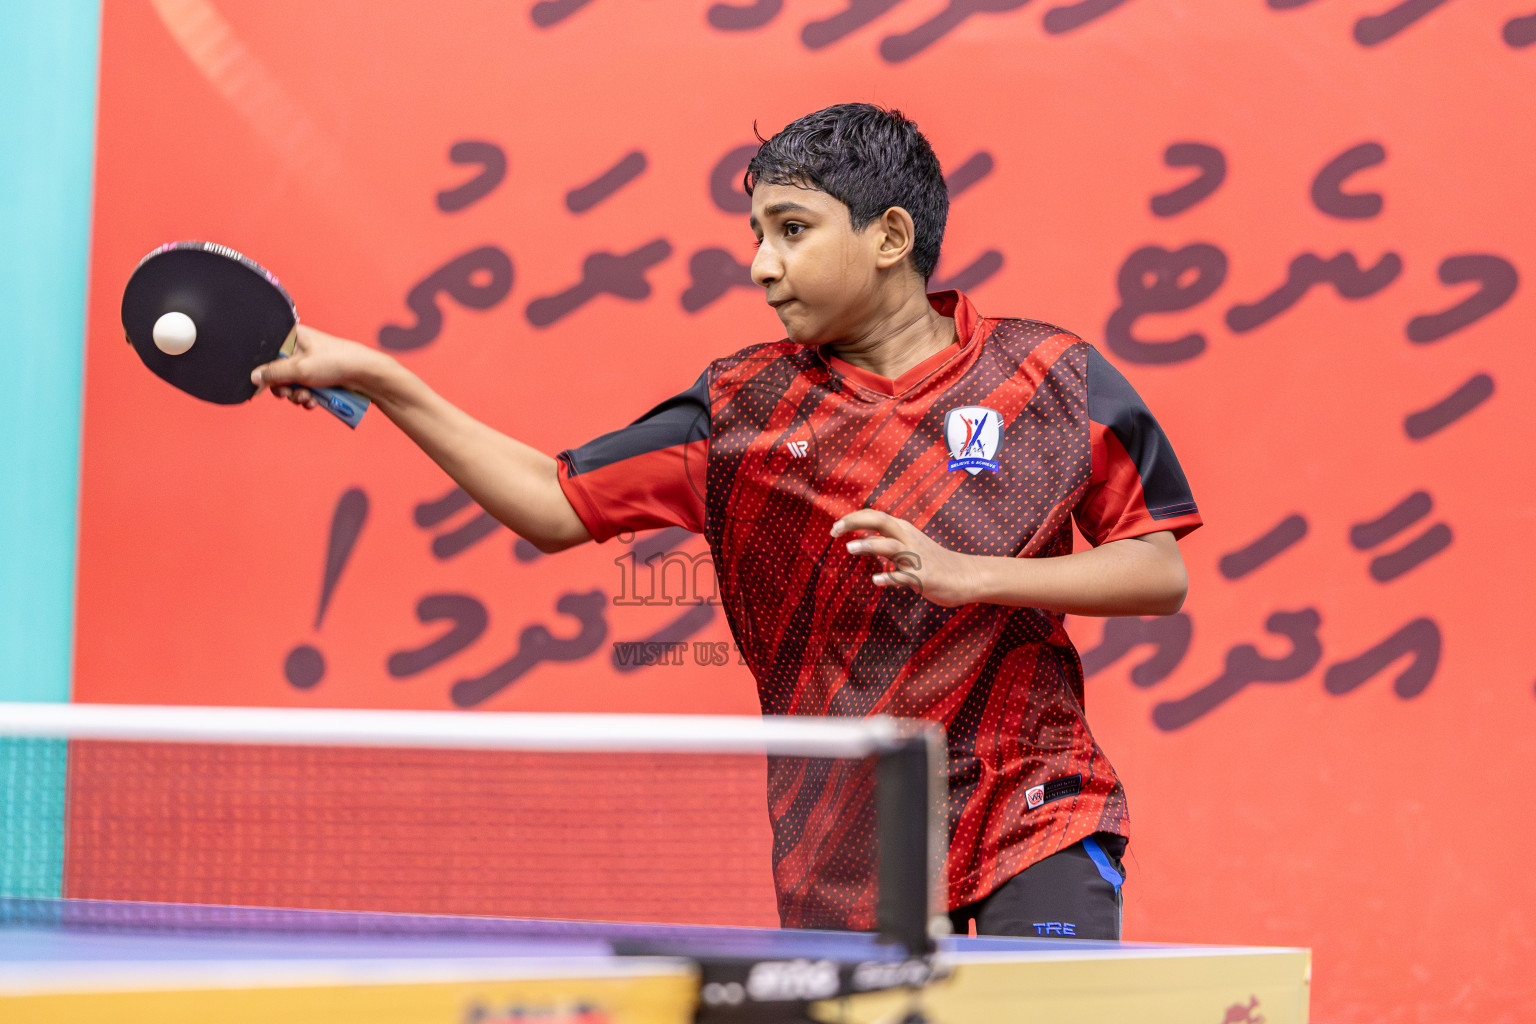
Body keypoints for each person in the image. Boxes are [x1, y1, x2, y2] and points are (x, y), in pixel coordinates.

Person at [253, 103, 1202, 939]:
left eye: (792, 231)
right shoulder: (742, 409)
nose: (761, 265)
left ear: (891, 235)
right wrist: (386, 380)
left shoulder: (1051, 378)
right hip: (843, 839)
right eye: (757, 234)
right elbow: (552, 502)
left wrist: (971, 575)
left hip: (1032, 806)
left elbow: (1157, 570)